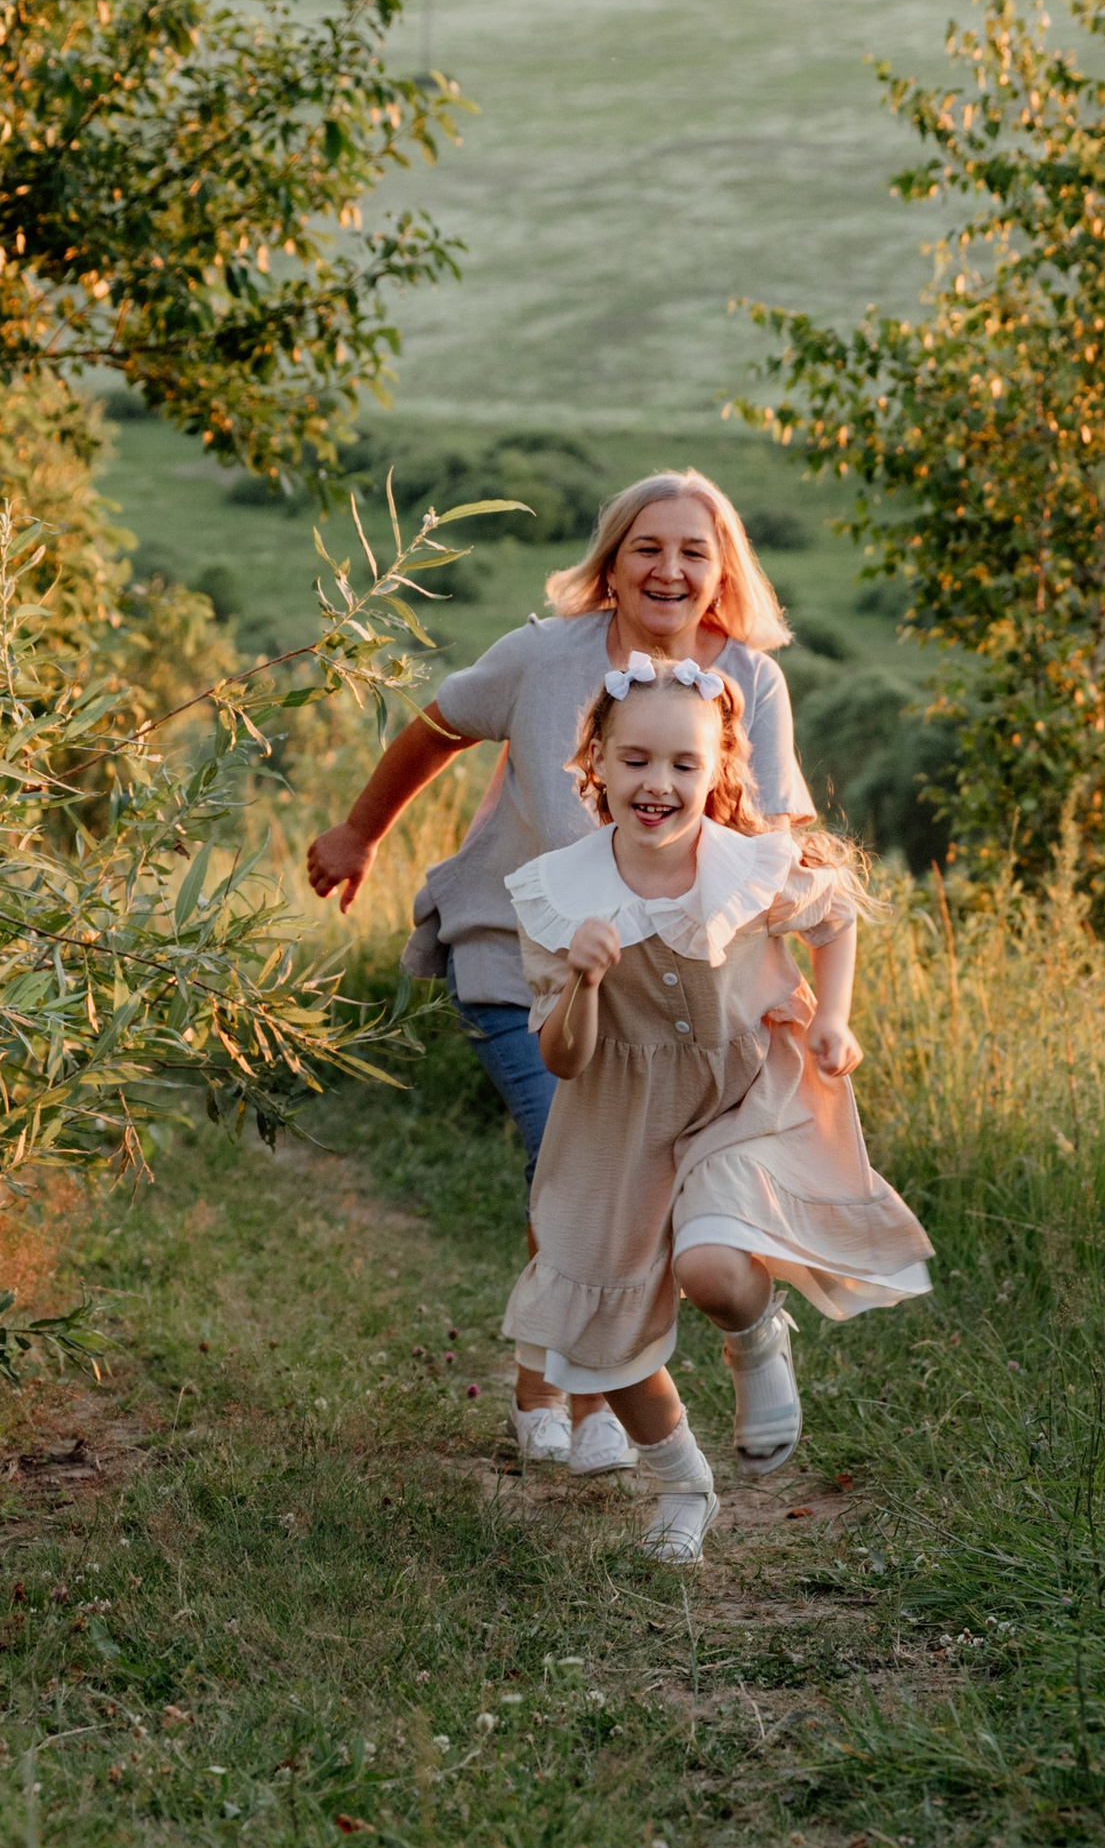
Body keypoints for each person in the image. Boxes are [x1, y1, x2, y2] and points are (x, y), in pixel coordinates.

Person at [304, 468, 812, 1473]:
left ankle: (589, 1386)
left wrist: (796, 980)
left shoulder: (747, 680)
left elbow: (777, 834)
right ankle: (573, 1398)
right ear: (612, 566)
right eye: (647, 548)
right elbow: (438, 724)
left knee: (647, 1192)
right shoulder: (543, 659)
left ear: (721, 575)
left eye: (693, 552)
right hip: (518, 957)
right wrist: (360, 831)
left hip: (679, 993)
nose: (669, 568)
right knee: (570, 1165)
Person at [501, 652, 930, 1565]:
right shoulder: (558, 893)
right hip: (615, 1115)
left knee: (713, 1264)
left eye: (683, 765)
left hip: (742, 1093)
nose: (658, 784)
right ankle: (680, 1481)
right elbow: (561, 1057)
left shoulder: (742, 865)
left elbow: (835, 914)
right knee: (598, 1332)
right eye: (636, 761)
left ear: (716, 770)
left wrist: (836, 1021)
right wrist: (581, 980)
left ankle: (754, 1336)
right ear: (598, 765)